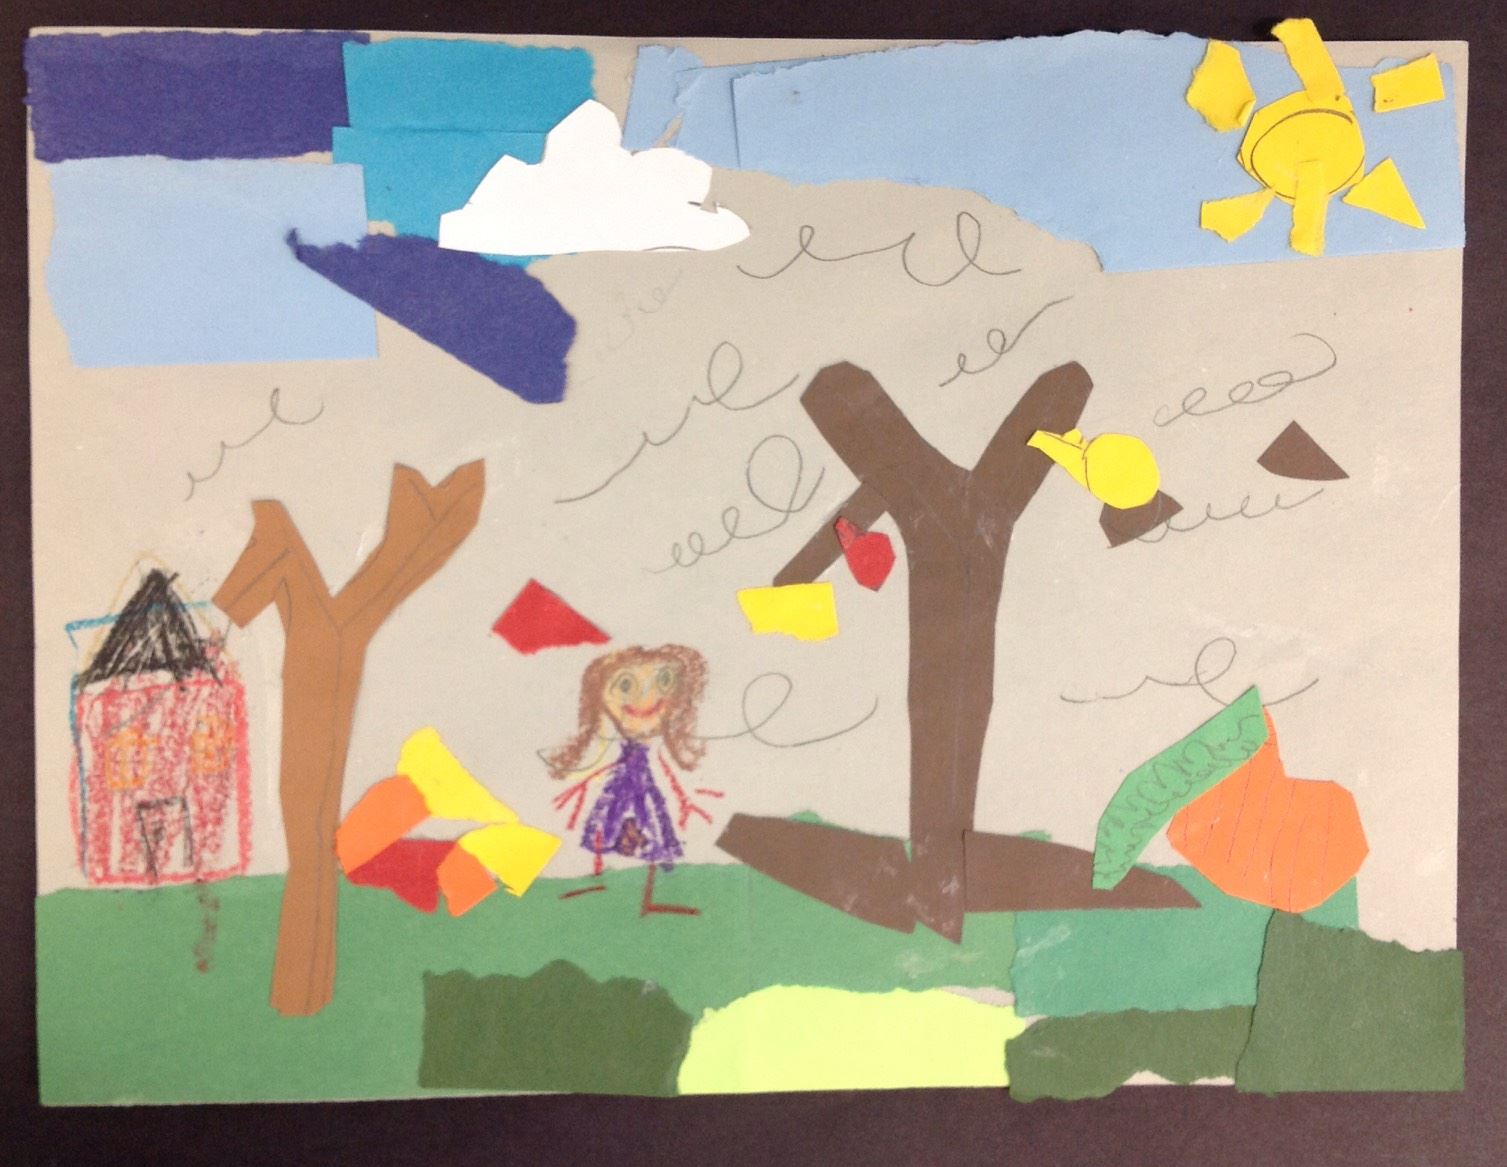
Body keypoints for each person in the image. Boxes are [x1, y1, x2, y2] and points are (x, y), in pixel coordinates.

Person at [546, 645, 718, 915]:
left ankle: (648, 893)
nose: (646, 698)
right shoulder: (598, 765)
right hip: (621, 792)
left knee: (653, 832)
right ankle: (602, 882)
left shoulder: (682, 765)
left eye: (665, 680)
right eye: (625, 684)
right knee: (606, 830)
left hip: (646, 796)